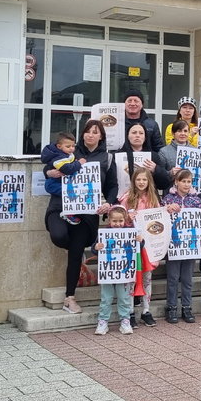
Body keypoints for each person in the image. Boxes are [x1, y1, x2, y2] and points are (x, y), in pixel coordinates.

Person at [43, 121, 119, 315]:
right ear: (82, 134)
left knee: (76, 252)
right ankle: (77, 253)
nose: (91, 135)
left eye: (96, 132)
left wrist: (109, 203)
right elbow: (50, 159)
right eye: (88, 131)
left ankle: (69, 298)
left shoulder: (108, 158)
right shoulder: (70, 152)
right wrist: (48, 172)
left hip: (86, 213)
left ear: (101, 136)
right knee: (58, 236)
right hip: (60, 206)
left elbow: (112, 186)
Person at [161, 169, 201, 323]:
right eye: (183, 181)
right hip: (174, 245)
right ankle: (171, 307)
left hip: (190, 246)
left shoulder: (196, 200)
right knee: (173, 278)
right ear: (176, 182)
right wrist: (167, 210)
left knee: (187, 278)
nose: (186, 184)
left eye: (189, 181)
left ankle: (186, 307)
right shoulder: (168, 199)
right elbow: (161, 220)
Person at [119, 167, 161, 327]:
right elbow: (119, 223)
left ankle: (146, 310)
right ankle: (130, 311)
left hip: (148, 246)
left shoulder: (153, 199)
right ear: (133, 181)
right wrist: (128, 219)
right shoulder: (126, 198)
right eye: (138, 179)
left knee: (146, 278)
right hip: (131, 246)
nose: (141, 182)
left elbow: (158, 221)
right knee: (131, 279)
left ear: (148, 181)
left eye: (144, 179)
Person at [92, 206, 142, 336]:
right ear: (109, 220)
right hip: (108, 272)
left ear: (125, 220)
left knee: (124, 298)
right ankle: (103, 321)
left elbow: (138, 248)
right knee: (106, 298)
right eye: (115, 221)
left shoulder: (130, 232)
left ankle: (125, 321)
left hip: (123, 273)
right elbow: (95, 248)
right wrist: (96, 247)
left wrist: (140, 241)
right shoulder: (104, 233)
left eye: (120, 221)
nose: (118, 224)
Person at [116, 122, 172, 195]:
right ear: (127, 136)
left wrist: (156, 170)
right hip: (123, 199)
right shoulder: (117, 156)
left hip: (149, 201)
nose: (137, 135)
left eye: (141, 133)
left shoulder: (153, 156)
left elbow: (164, 184)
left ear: (145, 137)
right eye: (134, 133)